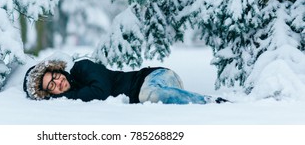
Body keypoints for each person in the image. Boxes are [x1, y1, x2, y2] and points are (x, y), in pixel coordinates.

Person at [23, 58, 228, 104]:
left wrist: (69, 96)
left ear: (59, 70)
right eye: (51, 86)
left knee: (152, 95)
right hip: (162, 89)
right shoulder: (72, 96)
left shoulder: (82, 67)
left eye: (55, 77)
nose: (58, 83)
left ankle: (211, 103)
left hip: (152, 78)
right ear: (49, 94)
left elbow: (101, 91)